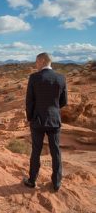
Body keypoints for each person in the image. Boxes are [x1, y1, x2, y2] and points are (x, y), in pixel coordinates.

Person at [24, 53, 68, 192]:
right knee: (55, 151)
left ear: (43, 61)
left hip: (37, 120)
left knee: (36, 151)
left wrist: (30, 118)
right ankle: (56, 183)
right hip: (54, 120)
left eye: (36, 61)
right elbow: (64, 101)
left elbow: (29, 101)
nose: (35, 64)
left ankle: (32, 181)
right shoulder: (61, 78)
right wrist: (54, 110)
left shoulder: (34, 77)